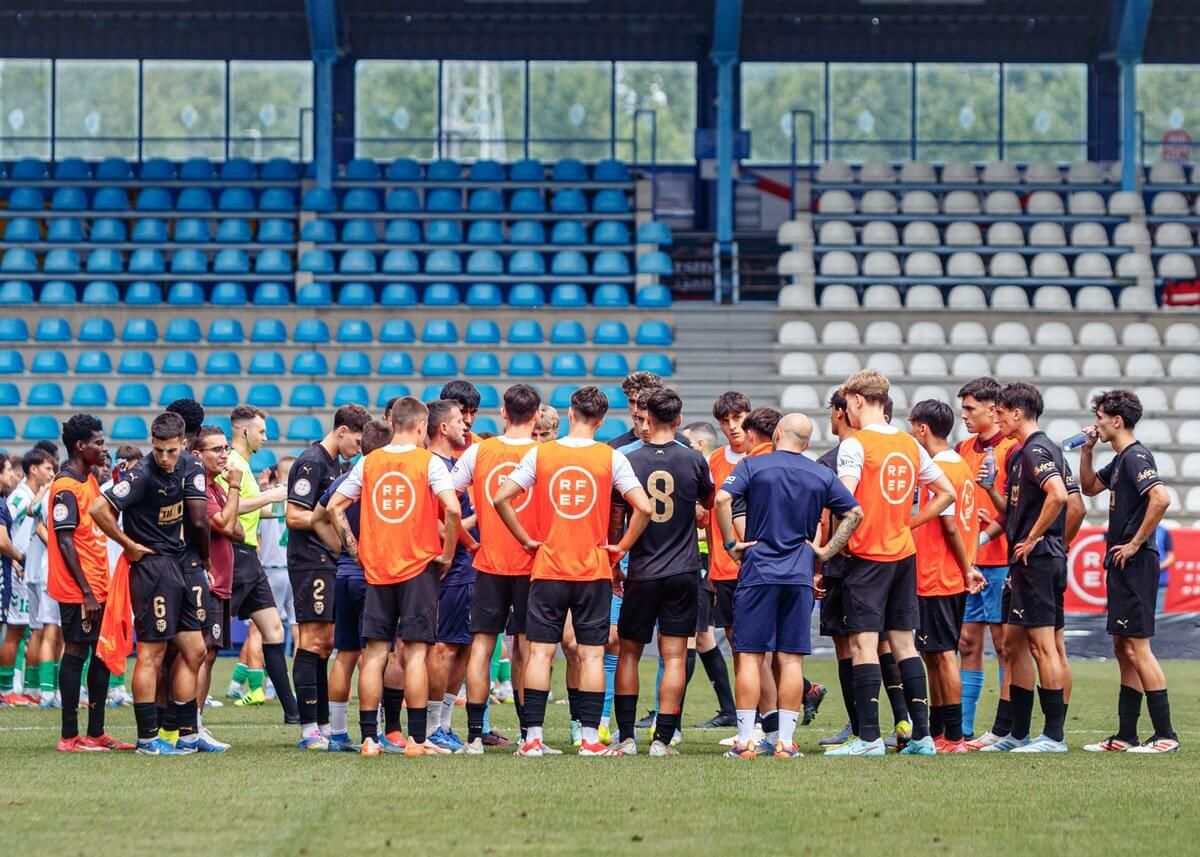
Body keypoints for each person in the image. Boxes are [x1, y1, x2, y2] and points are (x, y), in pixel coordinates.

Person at [493, 386, 652, 757]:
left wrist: (527, 540)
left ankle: (532, 738)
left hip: (548, 565)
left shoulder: (541, 453)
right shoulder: (610, 458)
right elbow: (642, 508)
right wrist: (622, 547)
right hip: (593, 569)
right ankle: (590, 740)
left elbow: (501, 496)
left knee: (539, 654)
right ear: (601, 420)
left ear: (569, 413)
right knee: (592, 656)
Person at [717, 413, 863, 759]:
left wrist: (730, 543)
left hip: (758, 571)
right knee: (792, 660)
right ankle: (785, 742)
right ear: (807, 443)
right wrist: (826, 551)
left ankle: (744, 742)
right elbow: (854, 513)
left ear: (777, 433)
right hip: (798, 575)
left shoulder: (754, 467)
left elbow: (723, 499)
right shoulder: (821, 474)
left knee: (751, 657)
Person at [826, 370, 956, 758]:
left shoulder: (855, 445)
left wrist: (831, 547)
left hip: (867, 556)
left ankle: (868, 739)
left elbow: (844, 500)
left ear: (858, 401)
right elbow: (945, 493)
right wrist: (909, 522)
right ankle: (922, 737)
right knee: (904, 644)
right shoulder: (908, 443)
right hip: (904, 554)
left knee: (863, 644)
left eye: (847, 401)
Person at [328, 397, 461, 757]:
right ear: (421, 427)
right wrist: (446, 554)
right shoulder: (428, 461)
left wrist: (355, 550)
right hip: (418, 569)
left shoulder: (370, 461)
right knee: (414, 655)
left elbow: (333, 507)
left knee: (373, 654)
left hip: (378, 568)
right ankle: (417, 741)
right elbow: (451, 507)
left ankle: (369, 739)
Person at [91, 412, 214, 754]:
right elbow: (99, 509)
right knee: (152, 653)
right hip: (151, 567)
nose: (164, 457)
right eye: (158, 450)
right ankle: (148, 739)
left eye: (170, 451)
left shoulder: (190, 465)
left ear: (183, 444)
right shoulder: (142, 474)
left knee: (196, 650)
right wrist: (128, 545)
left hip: (177, 563)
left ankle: (189, 735)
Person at [611, 389, 715, 756]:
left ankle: (626, 738)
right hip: (683, 569)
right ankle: (663, 740)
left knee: (628, 654)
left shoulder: (628, 460)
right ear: (679, 420)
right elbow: (708, 504)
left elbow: (617, 521)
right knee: (674, 657)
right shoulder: (694, 460)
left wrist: (615, 564)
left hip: (641, 570)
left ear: (646, 418)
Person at [1079, 389, 1179, 753]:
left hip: (1136, 562)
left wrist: (1136, 542)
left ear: (1116, 420)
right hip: (1122, 562)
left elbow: (1161, 498)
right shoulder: (1120, 459)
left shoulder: (1136, 457)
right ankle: (1125, 735)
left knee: (1137, 647)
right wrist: (1087, 451)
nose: (1097, 423)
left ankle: (1166, 735)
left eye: (1100, 417)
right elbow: (1089, 488)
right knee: (1123, 646)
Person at [451, 384, 543, 755]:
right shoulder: (545, 453)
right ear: (537, 416)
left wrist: (467, 541)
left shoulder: (478, 451)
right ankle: (527, 735)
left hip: (488, 562)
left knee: (482, 647)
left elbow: (449, 502)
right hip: (531, 563)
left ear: (503, 413)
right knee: (526, 649)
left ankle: (474, 736)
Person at [980, 382, 1071, 754]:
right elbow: (1018, 510)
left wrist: (1033, 537)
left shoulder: (1037, 450)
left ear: (1017, 413)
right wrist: (990, 490)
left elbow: (1059, 495)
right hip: (1023, 561)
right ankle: (1017, 733)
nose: (996, 417)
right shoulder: (1019, 455)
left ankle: (1053, 737)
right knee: (1012, 645)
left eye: (1000, 411)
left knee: (1041, 645)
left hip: (1038, 559)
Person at [286, 405, 370, 750]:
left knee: (325, 645)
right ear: (342, 431)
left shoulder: (337, 465)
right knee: (312, 641)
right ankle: (308, 729)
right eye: (357, 439)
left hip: (329, 561)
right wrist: (330, 519)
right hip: (310, 562)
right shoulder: (312, 461)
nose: (359, 447)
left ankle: (321, 722)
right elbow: (294, 516)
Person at [45, 416, 131, 751]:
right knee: (77, 652)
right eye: (98, 442)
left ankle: (96, 733)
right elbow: (65, 541)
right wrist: (86, 592)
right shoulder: (65, 486)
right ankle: (69, 737)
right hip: (78, 588)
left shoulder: (88, 480)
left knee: (101, 655)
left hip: (99, 583)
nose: (104, 448)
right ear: (81, 446)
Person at [909, 400, 985, 754]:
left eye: (913, 427)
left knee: (942, 656)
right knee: (934, 654)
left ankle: (954, 736)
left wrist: (965, 566)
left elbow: (950, 524)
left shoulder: (940, 469)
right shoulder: (960, 465)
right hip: (946, 572)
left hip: (939, 573)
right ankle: (940, 731)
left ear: (922, 428)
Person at [313, 419, 394, 753]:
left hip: (344, 574)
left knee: (344, 655)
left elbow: (318, 518)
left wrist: (344, 549)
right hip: (374, 575)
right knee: (376, 656)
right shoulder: (388, 483)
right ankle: (371, 733)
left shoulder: (345, 480)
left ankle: (336, 732)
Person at [220, 406, 297, 720]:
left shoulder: (245, 464)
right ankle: (184, 709)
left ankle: (291, 711)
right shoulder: (232, 463)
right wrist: (272, 495)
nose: (266, 437)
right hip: (235, 556)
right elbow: (230, 509)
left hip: (251, 558)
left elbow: (252, 510)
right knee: (207, 639)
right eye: (262, 431)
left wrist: (284, 507)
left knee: (274, 628)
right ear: (244, 431)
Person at [954, 377, 1019, 745]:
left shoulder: (1012, 449)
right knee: (967, 642)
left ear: (992, 410)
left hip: (998, 559)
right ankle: (963, 727)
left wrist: (981, 537)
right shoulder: (963, 447)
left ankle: (1003, 728)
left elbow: (1013, 509)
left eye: (969, 408)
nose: (964, 415)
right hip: (969, 562)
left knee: (1004, 644)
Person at [424, 399, 476, 753]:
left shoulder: (453, 466)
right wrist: (487, 515)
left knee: (463, 645)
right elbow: (441, 526)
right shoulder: (433, 467)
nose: (466, 426)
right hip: (447, 569)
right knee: (442, 647)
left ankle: (442, 724)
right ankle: (428, 727)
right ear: (442, 427)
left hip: (463, 568)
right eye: (459, 421)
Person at [680, 421, 737, 730]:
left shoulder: (709, 473)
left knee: (692, 636)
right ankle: (728, 708)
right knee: (702, 638)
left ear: (700, 445)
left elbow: (705, 516)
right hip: (709, 561)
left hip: (704, 560)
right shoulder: (714, 469)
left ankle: (670, 715)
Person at [193, 425, 242, 751]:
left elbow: (236, 530)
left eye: (225, 448)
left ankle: (194, 723)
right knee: (199, 655)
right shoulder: (204, 490)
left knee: (209, 655)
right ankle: (190, 726)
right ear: (198, 455)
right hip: (206, 582)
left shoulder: (217, 489)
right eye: (216, 449)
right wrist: (236, 487)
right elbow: (226, 524)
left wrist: (230, 496)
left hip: (222, 582)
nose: (224, 454)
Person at [3, 449, 54, 705]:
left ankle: (30, 688)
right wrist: (14, 555)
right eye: (47, 468)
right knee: (16, 629)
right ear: (34, 469)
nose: (50, 473)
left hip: (26, 566)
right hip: (19, 566)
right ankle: (5, 688)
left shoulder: (33, 495)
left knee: (32, 628)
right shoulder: (22, 496)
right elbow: (6, 521)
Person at [258, 458, 296, 662]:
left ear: (278, 474)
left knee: (263, 631)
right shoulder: (303, 498)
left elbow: (255, 536)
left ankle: (263, 684)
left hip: (271, 569)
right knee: (300, 630)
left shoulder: (265, 497)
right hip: (295, 570)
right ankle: (301, 683)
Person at [0, 455, 30, 705]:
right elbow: (2, 540)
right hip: (5, 572)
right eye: (9, 470)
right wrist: (20, 557)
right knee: (12, 629)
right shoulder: (10, 501)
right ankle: (6, 688)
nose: (13, 475)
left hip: (9, 570)